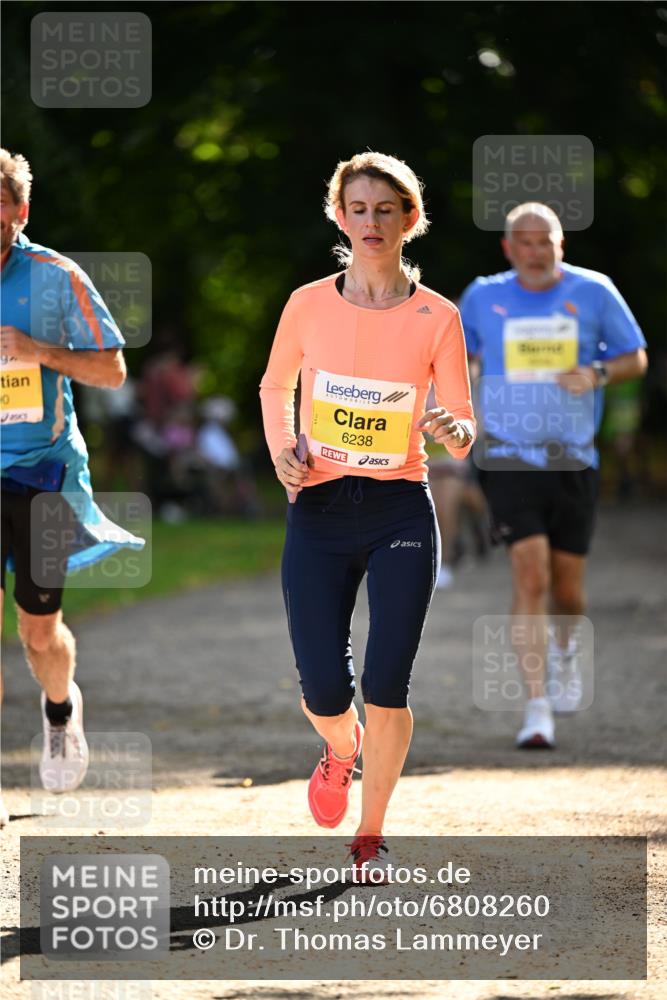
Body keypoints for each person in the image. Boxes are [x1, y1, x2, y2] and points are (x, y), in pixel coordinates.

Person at [260, 152, 475, 876]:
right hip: (318, 507)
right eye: (358, 208)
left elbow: (463, 422)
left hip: (398, 511)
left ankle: (370, 832)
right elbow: (273, 385)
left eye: (385, 209)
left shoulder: (436, 315)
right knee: (324, 688)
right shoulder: (306, 303)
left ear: (409, 219)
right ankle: (341, 748)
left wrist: (451, 431)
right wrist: (284, 450)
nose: (371, 221)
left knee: (387, 682)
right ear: (338, 215)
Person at [459, 201, 647, 749]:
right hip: (509, 456)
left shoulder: (595, 291)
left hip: (573, 459)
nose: (536, 252)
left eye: (546, 242)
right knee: (530, 576)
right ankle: (537, 707)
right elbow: (459, 359)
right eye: (526, 242)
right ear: (508, 248)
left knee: (568, 590)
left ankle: (565, 655)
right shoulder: (483, 295)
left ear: (561, 244)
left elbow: (635, 356)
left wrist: (597, 371)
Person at [0, 149, 144, 828]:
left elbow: (113, 371)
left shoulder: (57, 278)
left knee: (37, 634)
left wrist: (39, 351)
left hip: (43, 476)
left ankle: (60, 709)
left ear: (19, 210)